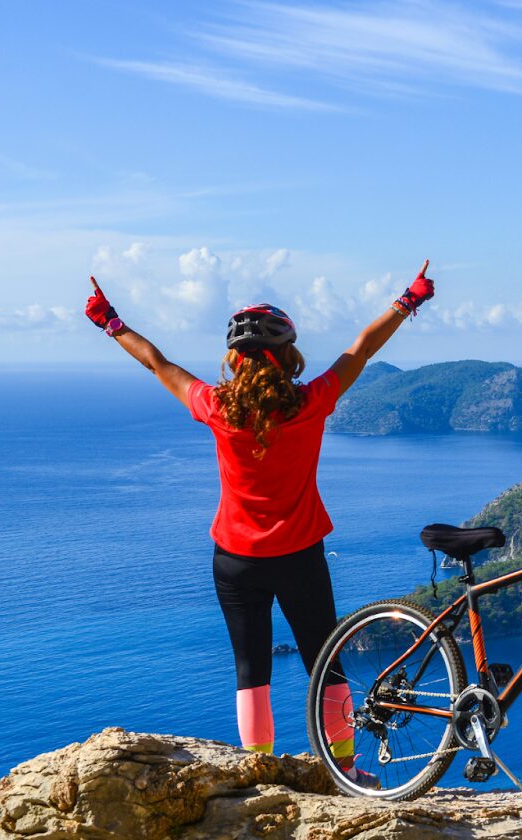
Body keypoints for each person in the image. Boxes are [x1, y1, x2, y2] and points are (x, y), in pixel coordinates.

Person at [84, 262, 436, 786]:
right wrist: (409, 299)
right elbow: (362, 348)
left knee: (252, 672)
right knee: (327, 665)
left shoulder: (216, 407)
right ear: (290, 357)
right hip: (299, 557)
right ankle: (344, 770)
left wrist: (110, 322)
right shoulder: (311, 403)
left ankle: (260, 773)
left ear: (233, 359)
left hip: (235, 562)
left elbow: (158, 363)